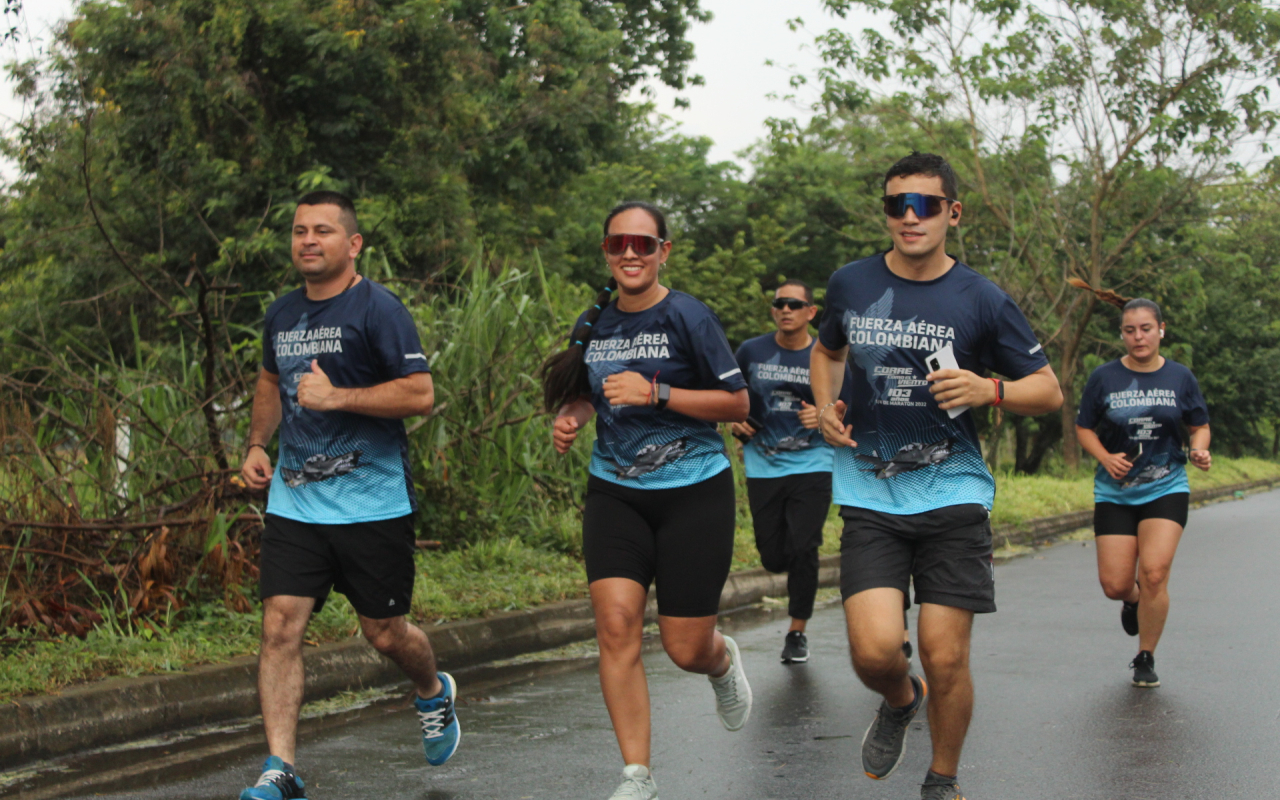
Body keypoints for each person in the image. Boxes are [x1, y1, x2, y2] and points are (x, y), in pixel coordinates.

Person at [810, 152, 1063, 800]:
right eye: (898, 204)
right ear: (887, 212)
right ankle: (901, 698)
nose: (911, 217)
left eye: (925, 204)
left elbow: (1049, 392)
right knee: (872, 653)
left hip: (953, 495)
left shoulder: (982, 298)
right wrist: (826, 411)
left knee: (946, 656)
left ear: (954, 211)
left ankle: (941, 782)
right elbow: (826, 348)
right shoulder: (850, 283)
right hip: (869, 492)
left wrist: (989, 388)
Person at [238, 191, 458, 800]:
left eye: (324, 231)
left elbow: (419, 395)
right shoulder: (281, 314)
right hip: (296, 502)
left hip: (372, 503)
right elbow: (270, 378)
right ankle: (280, 768)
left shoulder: (379, 310)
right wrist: (258, 444)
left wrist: (338, 398)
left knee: (384, 633)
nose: (309, 240)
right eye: (300, 230)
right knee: (280, 627)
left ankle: (432, 691)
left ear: (352, 244)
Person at [543, 201, 753, 800]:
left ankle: (720, 662)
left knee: (685, 647)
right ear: (606, 252)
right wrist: (573, 416)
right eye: (617, 244)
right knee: (615, 627)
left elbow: (736, 405)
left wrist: (657, 392)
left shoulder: (688, 316)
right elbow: (590, 396)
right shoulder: (595, 321)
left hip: (693, 492)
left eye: (643, 243)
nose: (629, 254)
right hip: (616, 492)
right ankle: (637, 775)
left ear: (664, 251)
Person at [1074, 297, 1211, 689]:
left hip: (1166, 485)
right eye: (1130, 330)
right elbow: (1084, 427)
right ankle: (1132, 600)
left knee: (1154, 572)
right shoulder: (1104, 377)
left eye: (1146, 329)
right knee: (1115, 584)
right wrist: (1105, 455)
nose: (1138, 337)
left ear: (1161, 330)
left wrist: (1200, 448)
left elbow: (1198, 424)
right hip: (1114, 491)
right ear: (1122, 334)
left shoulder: (1180, 377)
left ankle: (1145, 655)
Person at [732, 280, 846, 664]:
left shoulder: (827, 354)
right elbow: (733, 399)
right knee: (773, 557)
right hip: (763, 464)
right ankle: (787, 577)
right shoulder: (751, 351)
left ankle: (797, 631)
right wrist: (736, 422)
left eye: (795, 304)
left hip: (814, 462)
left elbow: (847, 405)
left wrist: (825, 411)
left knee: (804, 545)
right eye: (780, 303)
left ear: (811, 312)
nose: (786, 310)